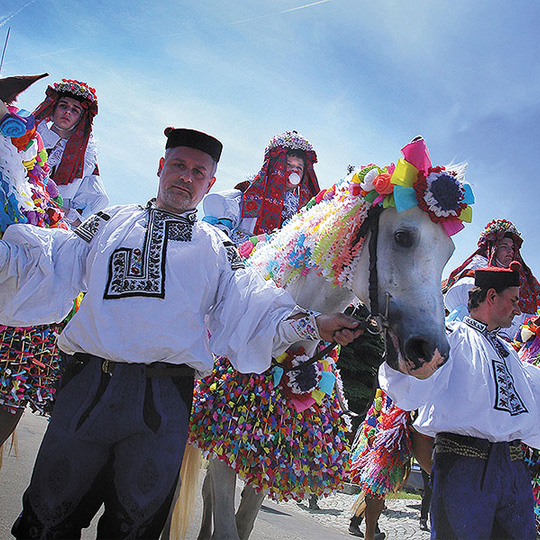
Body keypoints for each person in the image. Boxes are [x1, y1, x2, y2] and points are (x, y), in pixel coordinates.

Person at [1, 126, 362, 539]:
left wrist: (314, 324)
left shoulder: (217, 247)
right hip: (88, 388)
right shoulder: (109, 221)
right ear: (161, 167)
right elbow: (50, 260)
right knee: (46, 517)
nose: (185, 177)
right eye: (178, 165)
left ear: (210, 184)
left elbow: (250, 305)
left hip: (162, 401)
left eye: (197, 171)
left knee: (135, 526)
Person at [380, 263, 540, 539]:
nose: (517, 309)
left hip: (512, 469)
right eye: (513, 301)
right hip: (464, 465)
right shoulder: (451, 338)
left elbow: (532, 407)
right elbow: (408, 391)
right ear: (491, 297)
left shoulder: (508, 351)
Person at [202, 130, 320, 244]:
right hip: (244, 252)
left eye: (299, 167)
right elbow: (226, 214)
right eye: (288, 165)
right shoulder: (251, 190)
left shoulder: (302, 206)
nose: (294, 170)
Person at [444, 218, 540, 340]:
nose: (510, 251)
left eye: (512, 247)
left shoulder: (521, 281)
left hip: (507, 342)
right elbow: (465, 297)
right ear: (494, 248)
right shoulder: (479, 265)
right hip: (470, 335)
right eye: (504, 246)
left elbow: (526, 316)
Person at [33, 78, 109, 227]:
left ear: (80, 119)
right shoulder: (32, 137)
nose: (68, 112)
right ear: (53, 109)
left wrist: (61, 211)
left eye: (75, 110)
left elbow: (99, 200)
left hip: (50, 226)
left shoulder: (84, 161)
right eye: (63, 106)